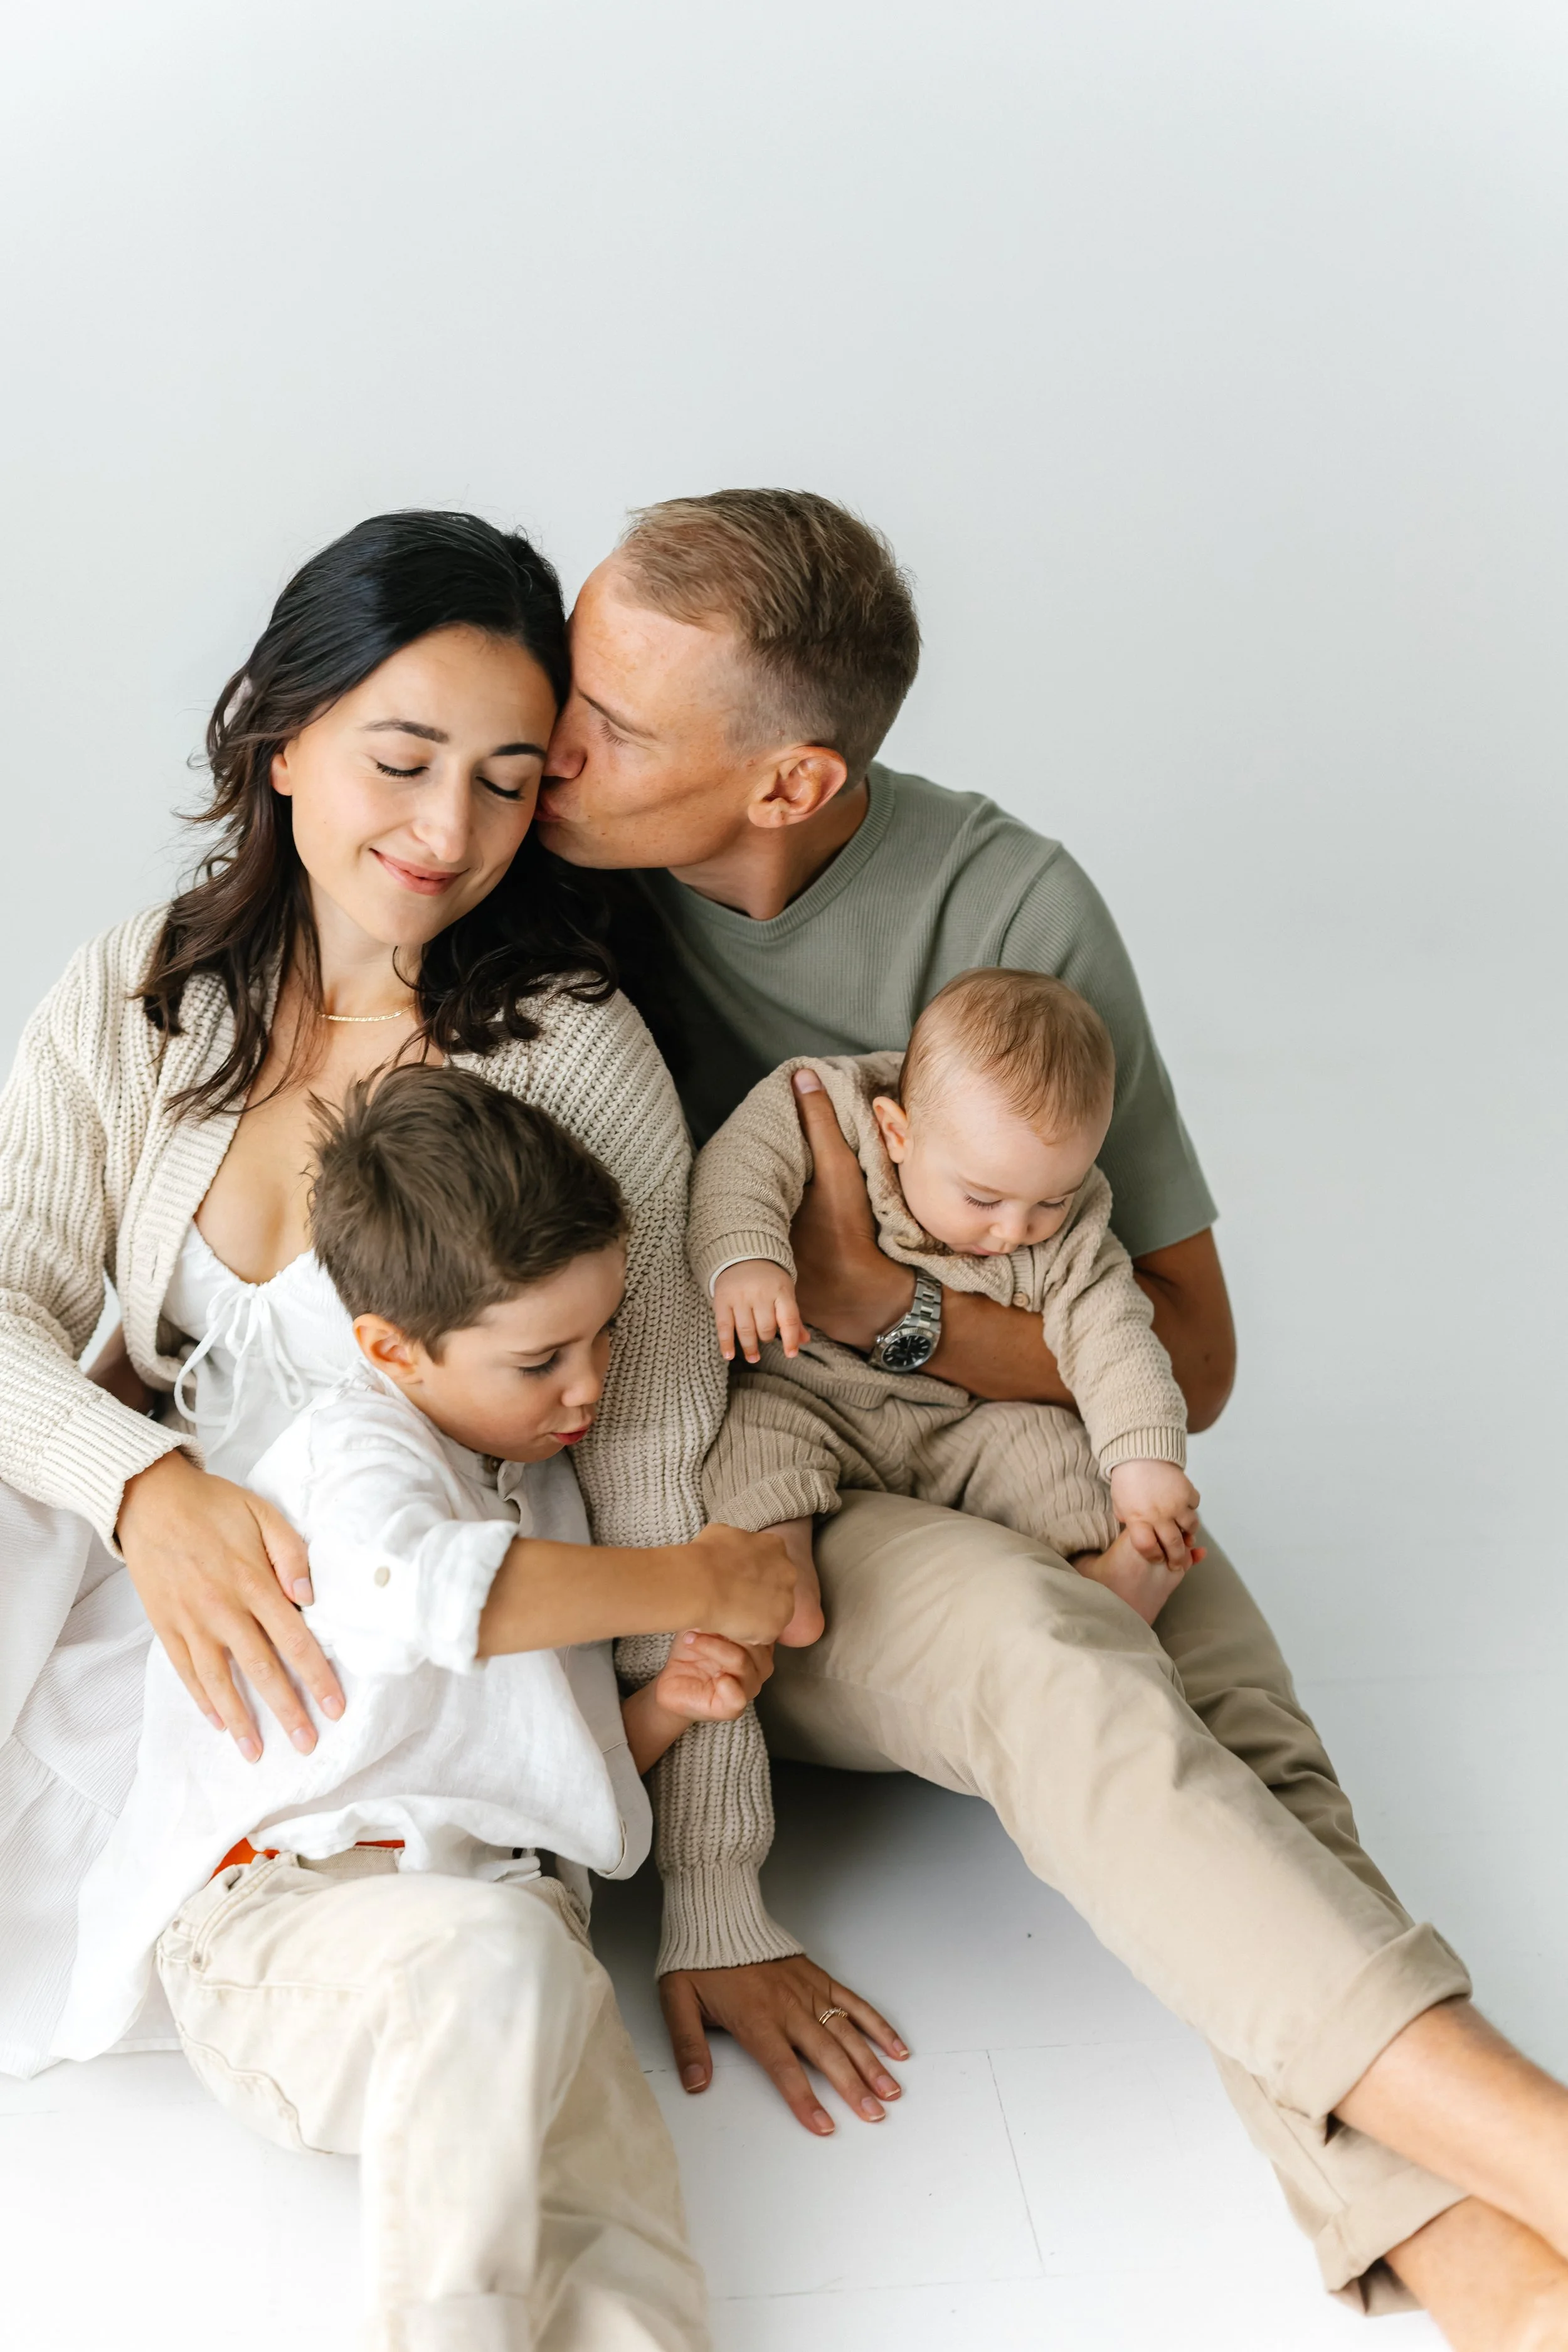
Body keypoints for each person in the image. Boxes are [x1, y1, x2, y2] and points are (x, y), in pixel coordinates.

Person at [536, 486, 1568, 2341]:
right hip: (762, 1502)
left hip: (998, 1439)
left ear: (790, 780)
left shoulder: (1005, 909)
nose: (550, 741)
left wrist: (891, 1301)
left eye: (610, 723)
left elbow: (1188, 1353)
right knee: (1055, 1648)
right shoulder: (532, 868)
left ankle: (1492, 2267)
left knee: (1237, 1712)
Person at [0, 507, 738, 2082]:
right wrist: (142, 1489)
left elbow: (655, 1448)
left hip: (382, 1628)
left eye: (506, 781)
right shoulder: (142, 993)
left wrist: (717, 1899)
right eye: (401, 760)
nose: (447, 830)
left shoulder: (569, 1051)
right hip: (160, 1574)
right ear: (281, 740)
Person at [56, 1066, 800, 2350]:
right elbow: (431, 1595)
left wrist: (665, 1711)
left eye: (602, 1335)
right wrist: (700, 1579)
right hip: (286, 1930)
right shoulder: (357, 1454)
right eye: (540, 1360)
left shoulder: (531, 1483)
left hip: (510, 1929)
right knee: (490, 1962)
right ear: (392, 1350)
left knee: (620, 2239)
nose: (587, 1386)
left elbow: (515, 1770)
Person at [691, 967, 1202, 1624]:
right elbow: (738, 1168)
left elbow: (1115, 1338)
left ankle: (1099, 1576)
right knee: (753, 1444)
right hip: (813, 1392)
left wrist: (1143, 1460)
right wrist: (747, 1259)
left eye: (1051, 1200)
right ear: (897, 1132)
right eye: (983, 1199)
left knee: (1054, 1452)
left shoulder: (1073, 1232)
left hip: (966, 1418)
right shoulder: (829, 1105)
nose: (1014, 1231)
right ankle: (777, 1579)